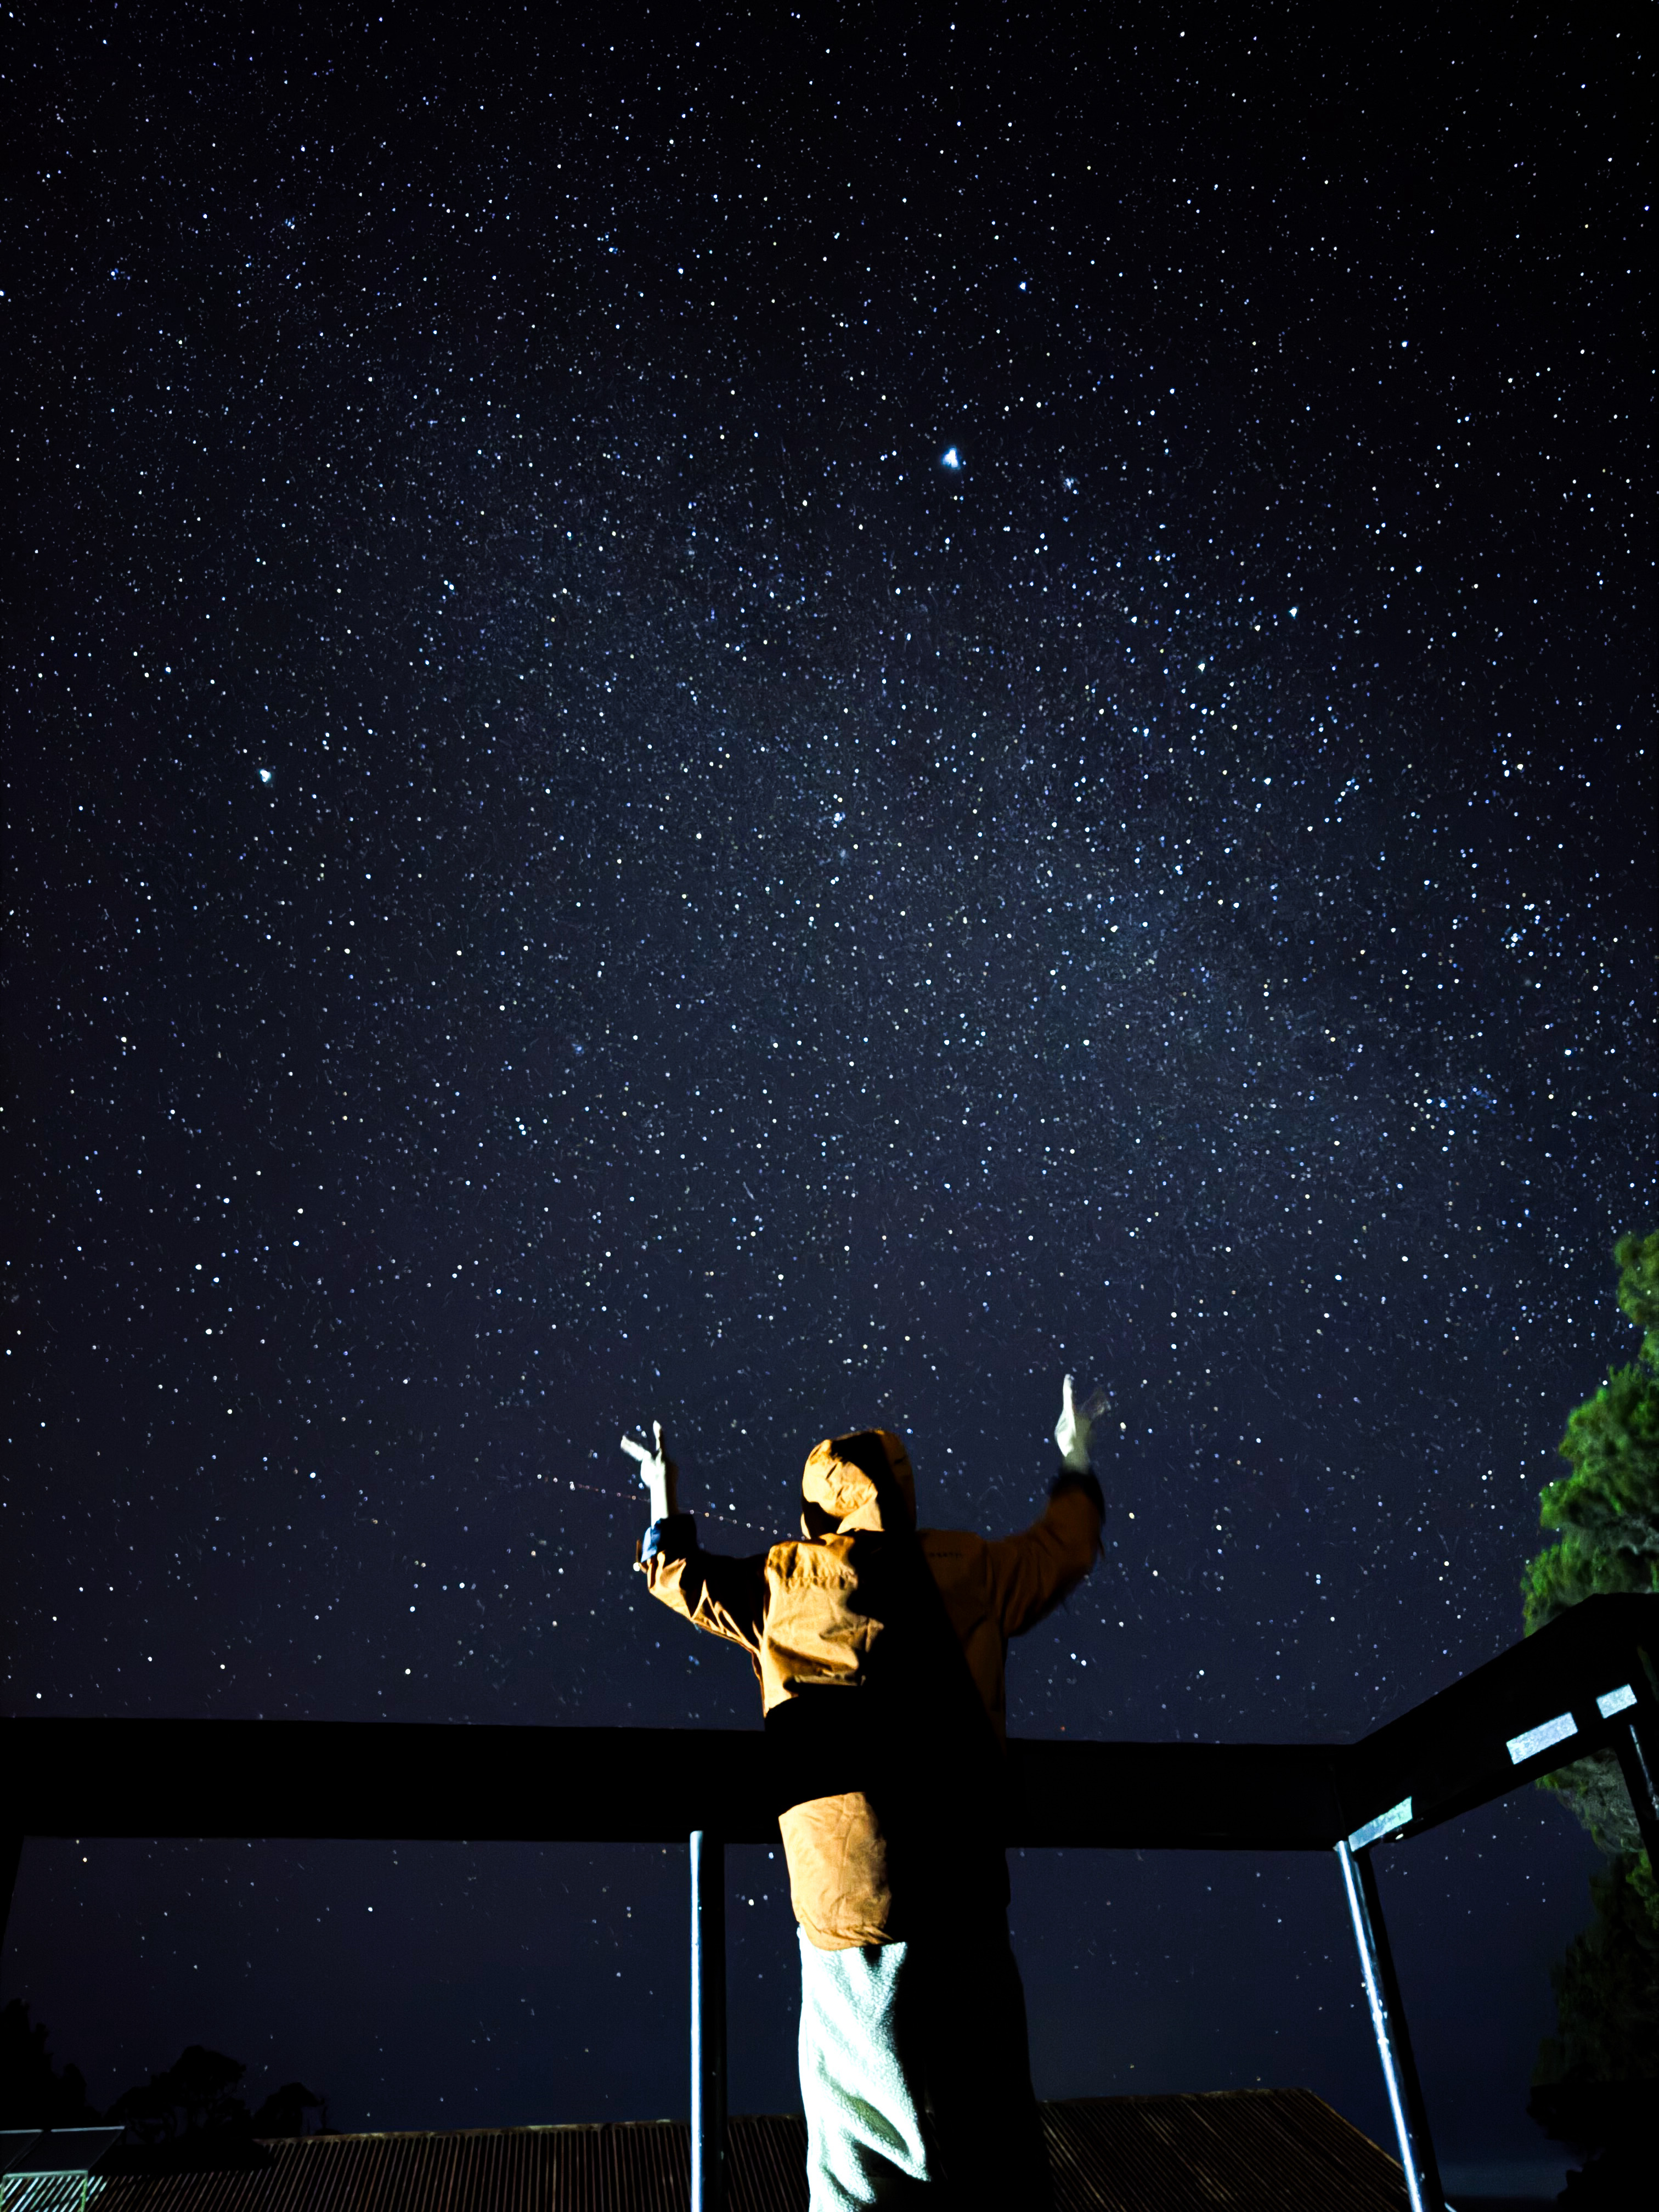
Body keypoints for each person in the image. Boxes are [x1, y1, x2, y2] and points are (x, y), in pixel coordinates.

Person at [624, 1376, 1105, 2209]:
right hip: (966, 1889)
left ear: (816, 1508)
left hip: (850, 1904)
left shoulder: (782, 1580)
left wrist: (661, 1492)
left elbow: (676, 1577)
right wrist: (1075, 1456)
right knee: (997, 2149)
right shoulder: (970, 1567)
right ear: (904, 1492)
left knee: (860, 2165)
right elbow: (1063, 1548)